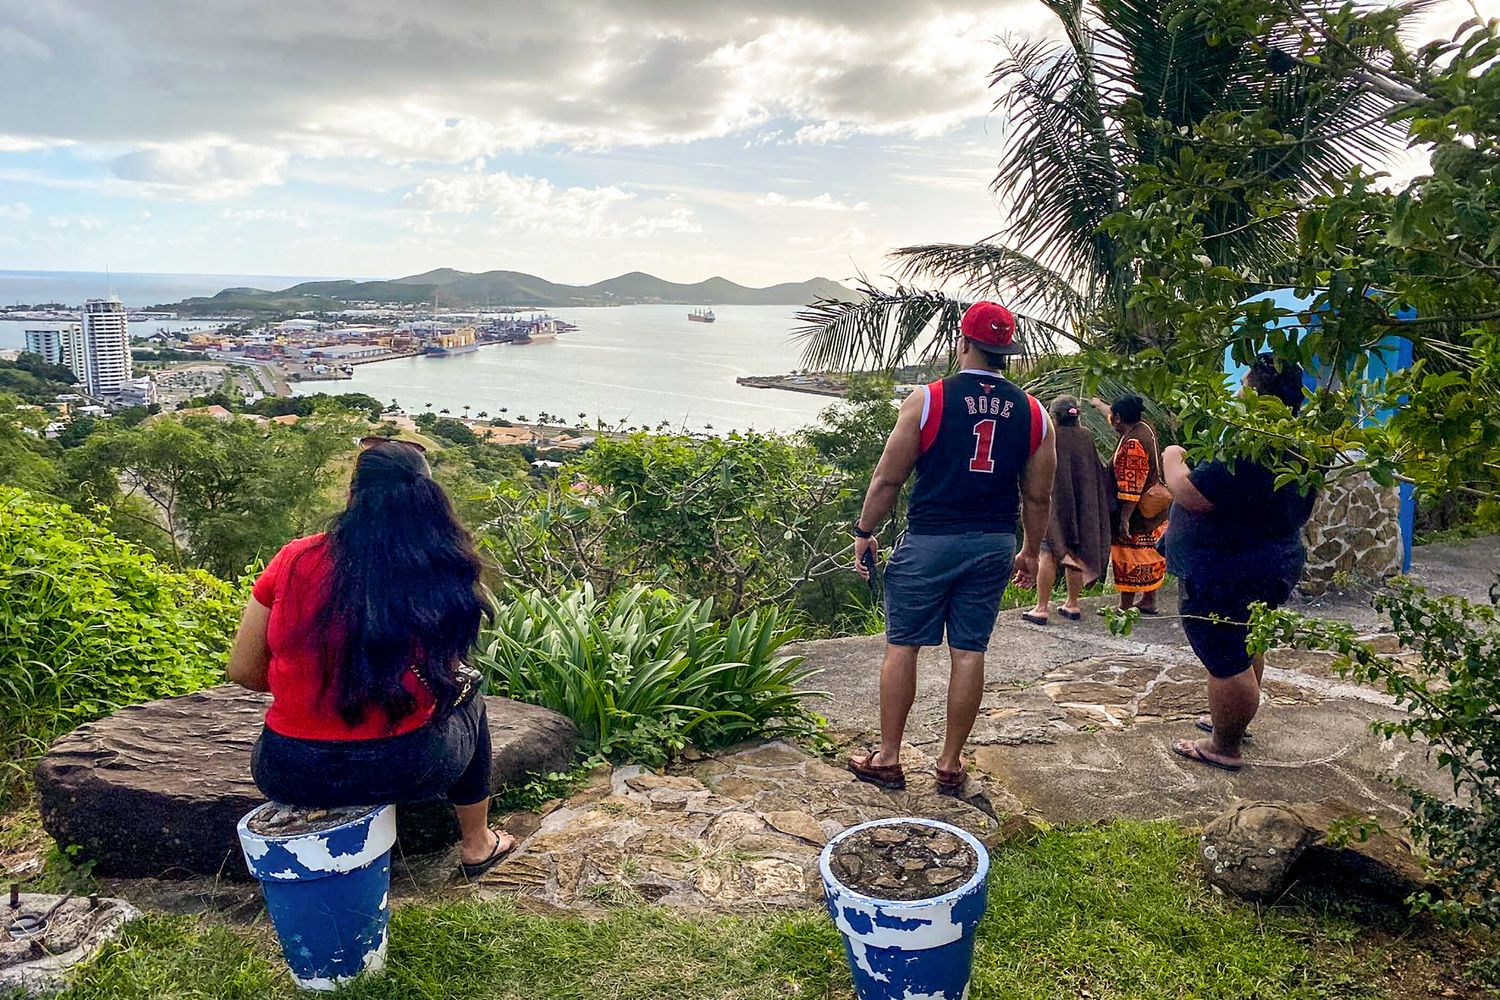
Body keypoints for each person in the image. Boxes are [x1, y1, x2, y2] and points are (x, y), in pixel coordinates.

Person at [226, 439, 513, 879]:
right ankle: (477, 843)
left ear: (352, 496)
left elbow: (243, 670)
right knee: (469, 696)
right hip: (407, 767)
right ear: (428, 500)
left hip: (289, 768)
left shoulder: (294, 559)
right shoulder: (440, 565)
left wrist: (309, 682)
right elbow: (444, 670)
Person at [848, 301, 1055, 795]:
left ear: (962, 343)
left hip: (931, 539)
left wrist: (864, 532)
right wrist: (1029, 550)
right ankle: (949, 763)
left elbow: (888, 478)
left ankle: (889, 758)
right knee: (968, 652)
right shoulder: (1034, 413)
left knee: (903, 646)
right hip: (992, 542)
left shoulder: (929, 400)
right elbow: (1038, 494)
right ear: (1007, 352)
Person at [1161, 354, 1318, 771]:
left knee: (1227, 657)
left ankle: (1224, 745)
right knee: (1246, 640)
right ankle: (1233, 722)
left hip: (1227, 570)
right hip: (1271, 561)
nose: (1237, 391)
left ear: (1257, 394)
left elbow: (1191, 493)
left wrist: (1172, 457)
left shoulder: (1253, 446)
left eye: (1244, 384)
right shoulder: (1300, 444)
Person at [1023, 396, 1113, 625]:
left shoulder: (1049, 437)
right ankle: (1072, 604)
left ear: (1054, 415)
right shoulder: (1085, 437)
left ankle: (1042, 607)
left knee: (1047, 553)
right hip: (1081, 505)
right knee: (1075, 552)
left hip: (1053, 504)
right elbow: (1095, 472)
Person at [1092, 394, 1168, 613]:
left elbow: (1131, 485)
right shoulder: (1145, 427)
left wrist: (1124, 518)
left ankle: (1124, 606)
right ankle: (1149, 600)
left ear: (1118, 418)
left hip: (1137, 513)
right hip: (1154, 510)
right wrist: (1098, 405)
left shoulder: (1132, 443)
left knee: (1129, 557)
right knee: (1149, 555)